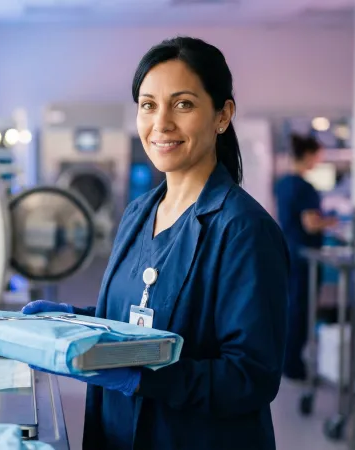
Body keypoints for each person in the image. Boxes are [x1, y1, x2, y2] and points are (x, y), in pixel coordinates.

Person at [21, 37, 290, 450]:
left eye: (182, 104)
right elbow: (140, 319)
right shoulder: (139, 213)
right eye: (148, 105)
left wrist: (144, 376)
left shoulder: (244, 230)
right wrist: (74, 321)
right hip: (115, 432)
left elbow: (249, 377)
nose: (161, 123)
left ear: (222, 115)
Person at [274, 134, 339, 381]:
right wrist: (332, 222)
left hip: (288, 252)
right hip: (304, 258)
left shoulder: (283, 183)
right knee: (301, 311)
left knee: (291, 309)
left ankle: (287, 362)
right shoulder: (304, 186)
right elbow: (311, 224)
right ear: (310, 155)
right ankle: (294, 366)